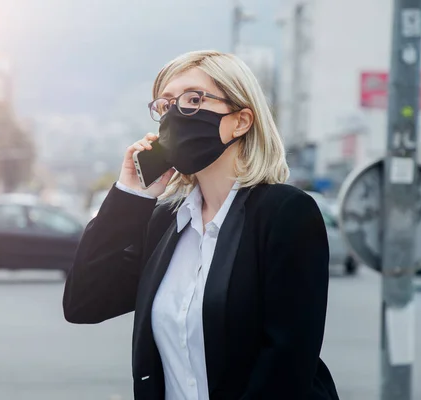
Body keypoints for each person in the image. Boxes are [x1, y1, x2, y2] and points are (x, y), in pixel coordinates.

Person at [63, 50, 339, 400]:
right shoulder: (166, 222)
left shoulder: (285, 213)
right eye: (165, 105)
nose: (175, 114)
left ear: (240, 121)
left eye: (193, 99)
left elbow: (286, 364)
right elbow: (83, 303)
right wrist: (130, 195)